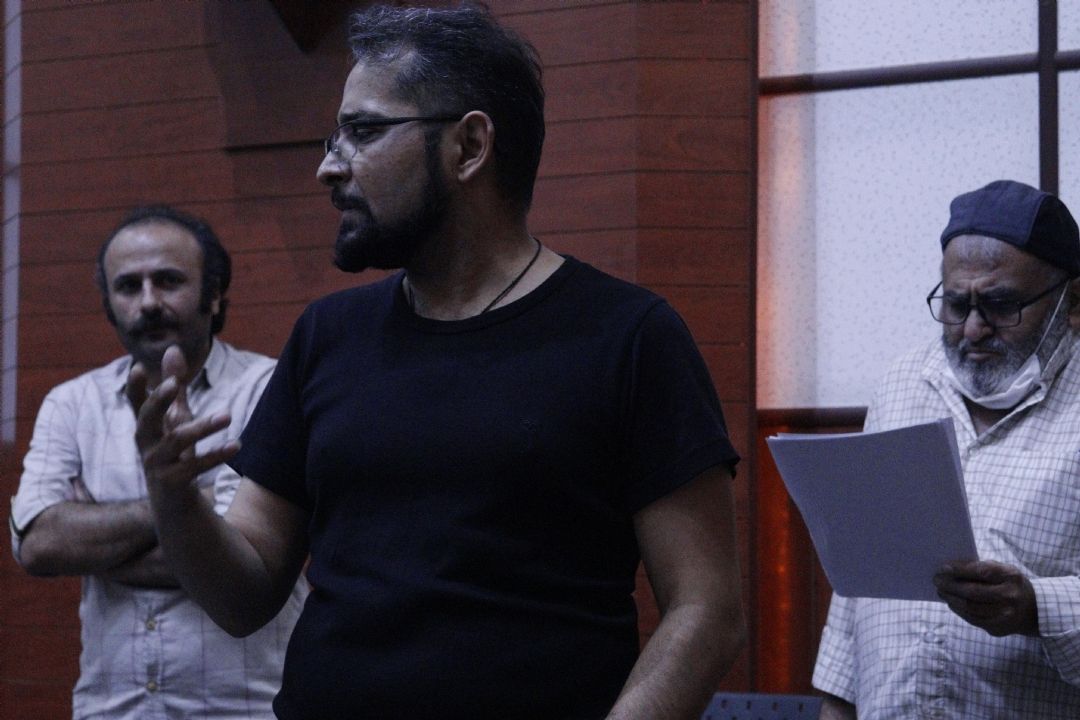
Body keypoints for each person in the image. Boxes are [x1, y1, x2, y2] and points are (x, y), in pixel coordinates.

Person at [126, 4, 746, 720]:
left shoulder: (629, 336)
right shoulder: (328, 335)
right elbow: (244, 596)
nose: (328, 166)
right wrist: (173, 496)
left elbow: (707, 611)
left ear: (469, 146)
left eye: (362, 132)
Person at [10, 205, 308, 719]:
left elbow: (253, 563)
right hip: (111, 709)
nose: (148, 302)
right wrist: (185, 502)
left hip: (244, 708)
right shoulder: (71, 402)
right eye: (128, 287)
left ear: (214, 294)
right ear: (109, 304)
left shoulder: (269, 388)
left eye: (168, 281)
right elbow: (39, 543)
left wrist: (95, 538)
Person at [813, 179, 1080, 719]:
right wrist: (835, 706)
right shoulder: (904, 383)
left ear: (1071, 302)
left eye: (1001, 306)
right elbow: (859, 581)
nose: (973, 330)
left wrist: (1035, 607)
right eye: (956, 304)